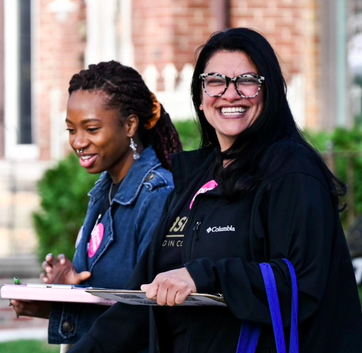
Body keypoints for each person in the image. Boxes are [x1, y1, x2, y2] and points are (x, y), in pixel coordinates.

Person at [68, 28, 362, 353]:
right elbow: (139, 302)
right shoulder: (196, 180)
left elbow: (303, 285)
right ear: (201, 94)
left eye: (247, 80)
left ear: (270, 91)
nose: (230, 94)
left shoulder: (293, 173)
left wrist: (206, 276)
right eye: (216, 81)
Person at [11, 60, 182, 350]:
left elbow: (146, 315)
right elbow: (112, 301)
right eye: (71, 130)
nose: (78, 141)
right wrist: (66, 293)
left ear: (129, 125)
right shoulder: (104, 192)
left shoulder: (157, 196)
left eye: (91, 128)